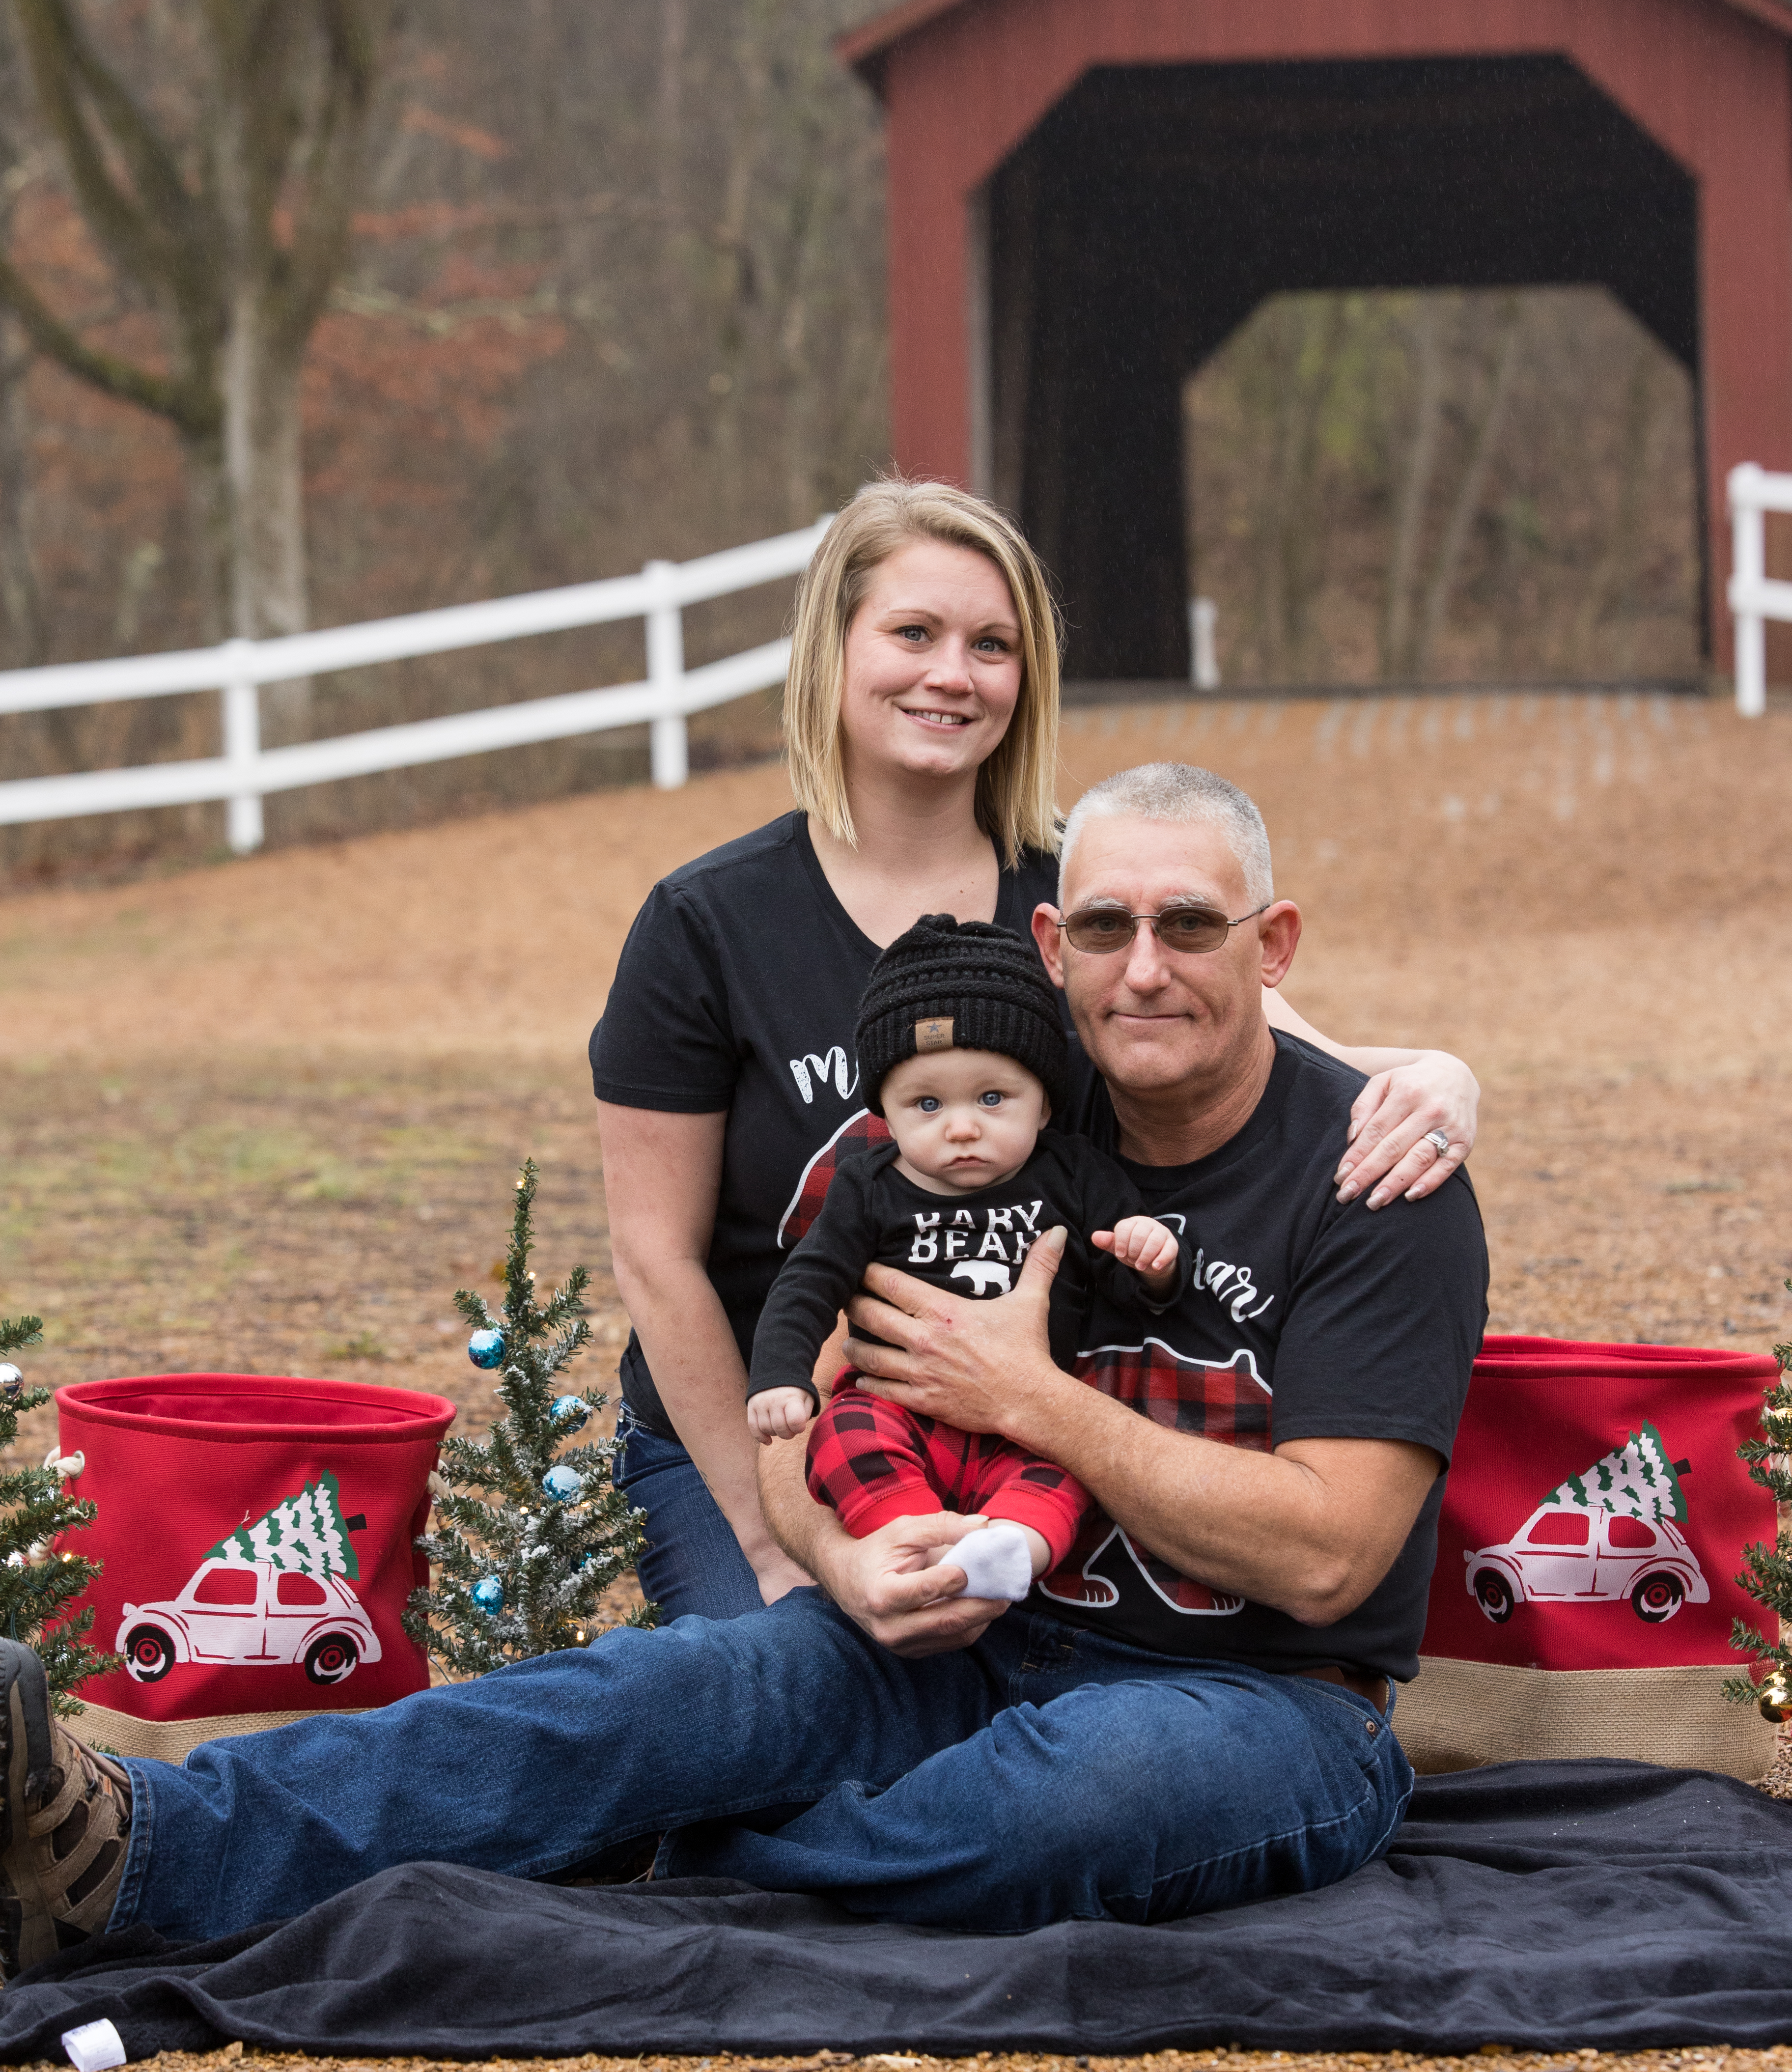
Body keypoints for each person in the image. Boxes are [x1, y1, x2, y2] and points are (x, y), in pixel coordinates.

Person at [0, 761, 1487, 1970]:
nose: (1143, 969)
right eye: (1103, 928)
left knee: (1058, 1812)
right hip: (948, 1638)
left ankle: (657, 1844)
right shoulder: (984, 1123)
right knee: (639, 1702)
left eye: (1191, 927)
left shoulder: (1372, 1177)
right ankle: (129, 1853)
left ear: (1273, 945)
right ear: (1053, 947)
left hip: (1258, 1704)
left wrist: (1033, 1401)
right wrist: (837, 1563)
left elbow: (1330, 1558)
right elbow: (800, 1401)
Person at [591, 478, 1480, 1623]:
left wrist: (1446, 1078)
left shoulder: (1084, 904)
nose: (952, 674)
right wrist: (778, 1550)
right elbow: (655, 1263)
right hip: (759, 1434)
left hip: (1015, 1421)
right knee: (787, 1688)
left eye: (992, 645)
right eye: (914, 632)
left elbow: (1303, 1052)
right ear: (835, 650)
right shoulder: (706, 924)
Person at [747, 913, 1188, 1603]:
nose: (961, 1127)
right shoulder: (869, 1186)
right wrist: (780, 1376)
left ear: (1044, 1103)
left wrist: (1152, 1261)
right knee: (841, 1433)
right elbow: (807, 1283)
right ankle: (915, 1539)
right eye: (927, 1103)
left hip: (1035, 1423)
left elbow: (1121, 1285)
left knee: (1070, 1475)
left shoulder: (1074, 1176)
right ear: (886, 1117)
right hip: (899, 1412)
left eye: (992, 1098)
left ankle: (1008, 1550)